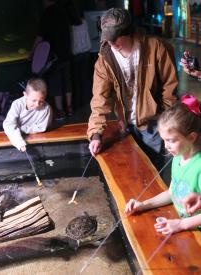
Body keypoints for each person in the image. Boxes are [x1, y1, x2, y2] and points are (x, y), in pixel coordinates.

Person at [87, 8, 178, 170]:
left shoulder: (156, 48)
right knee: (130, 176)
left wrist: (164, 121)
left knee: (152, 175)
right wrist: (95, 134)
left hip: (154, 126)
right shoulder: (104, 60)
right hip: (125, 126)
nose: (111, 43)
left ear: (129, 31)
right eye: (108, 39)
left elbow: (169, 89)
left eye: (115, 38)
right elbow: (99, 99)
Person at [125, 94, 201, 235]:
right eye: (164, 140)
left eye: (171, 140)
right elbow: (172, 193)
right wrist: (143, 205)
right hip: (181, 224)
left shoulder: (199, 167)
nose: (166, 146)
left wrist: (182, 224)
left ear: (191, 137)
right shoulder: (178, 158)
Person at [31, 0, 72, 119]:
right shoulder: (63, 12)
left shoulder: (46, 15)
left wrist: (32, 52)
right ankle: (69, 108)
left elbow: (40, 36)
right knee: (67, 81)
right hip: (66, 52)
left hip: (53, 55)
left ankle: (60, 111)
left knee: (56, 82)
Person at [3, 78, 52, 152]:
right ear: (25, 95)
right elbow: (8, 125)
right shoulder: (17, 104)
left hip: (36, 138)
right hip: (15, 139)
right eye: (34, 100)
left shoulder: (46, 109)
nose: (37, 105)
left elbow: (41, 127)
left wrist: (20, 129)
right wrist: (19, 142)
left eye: (41, 101)